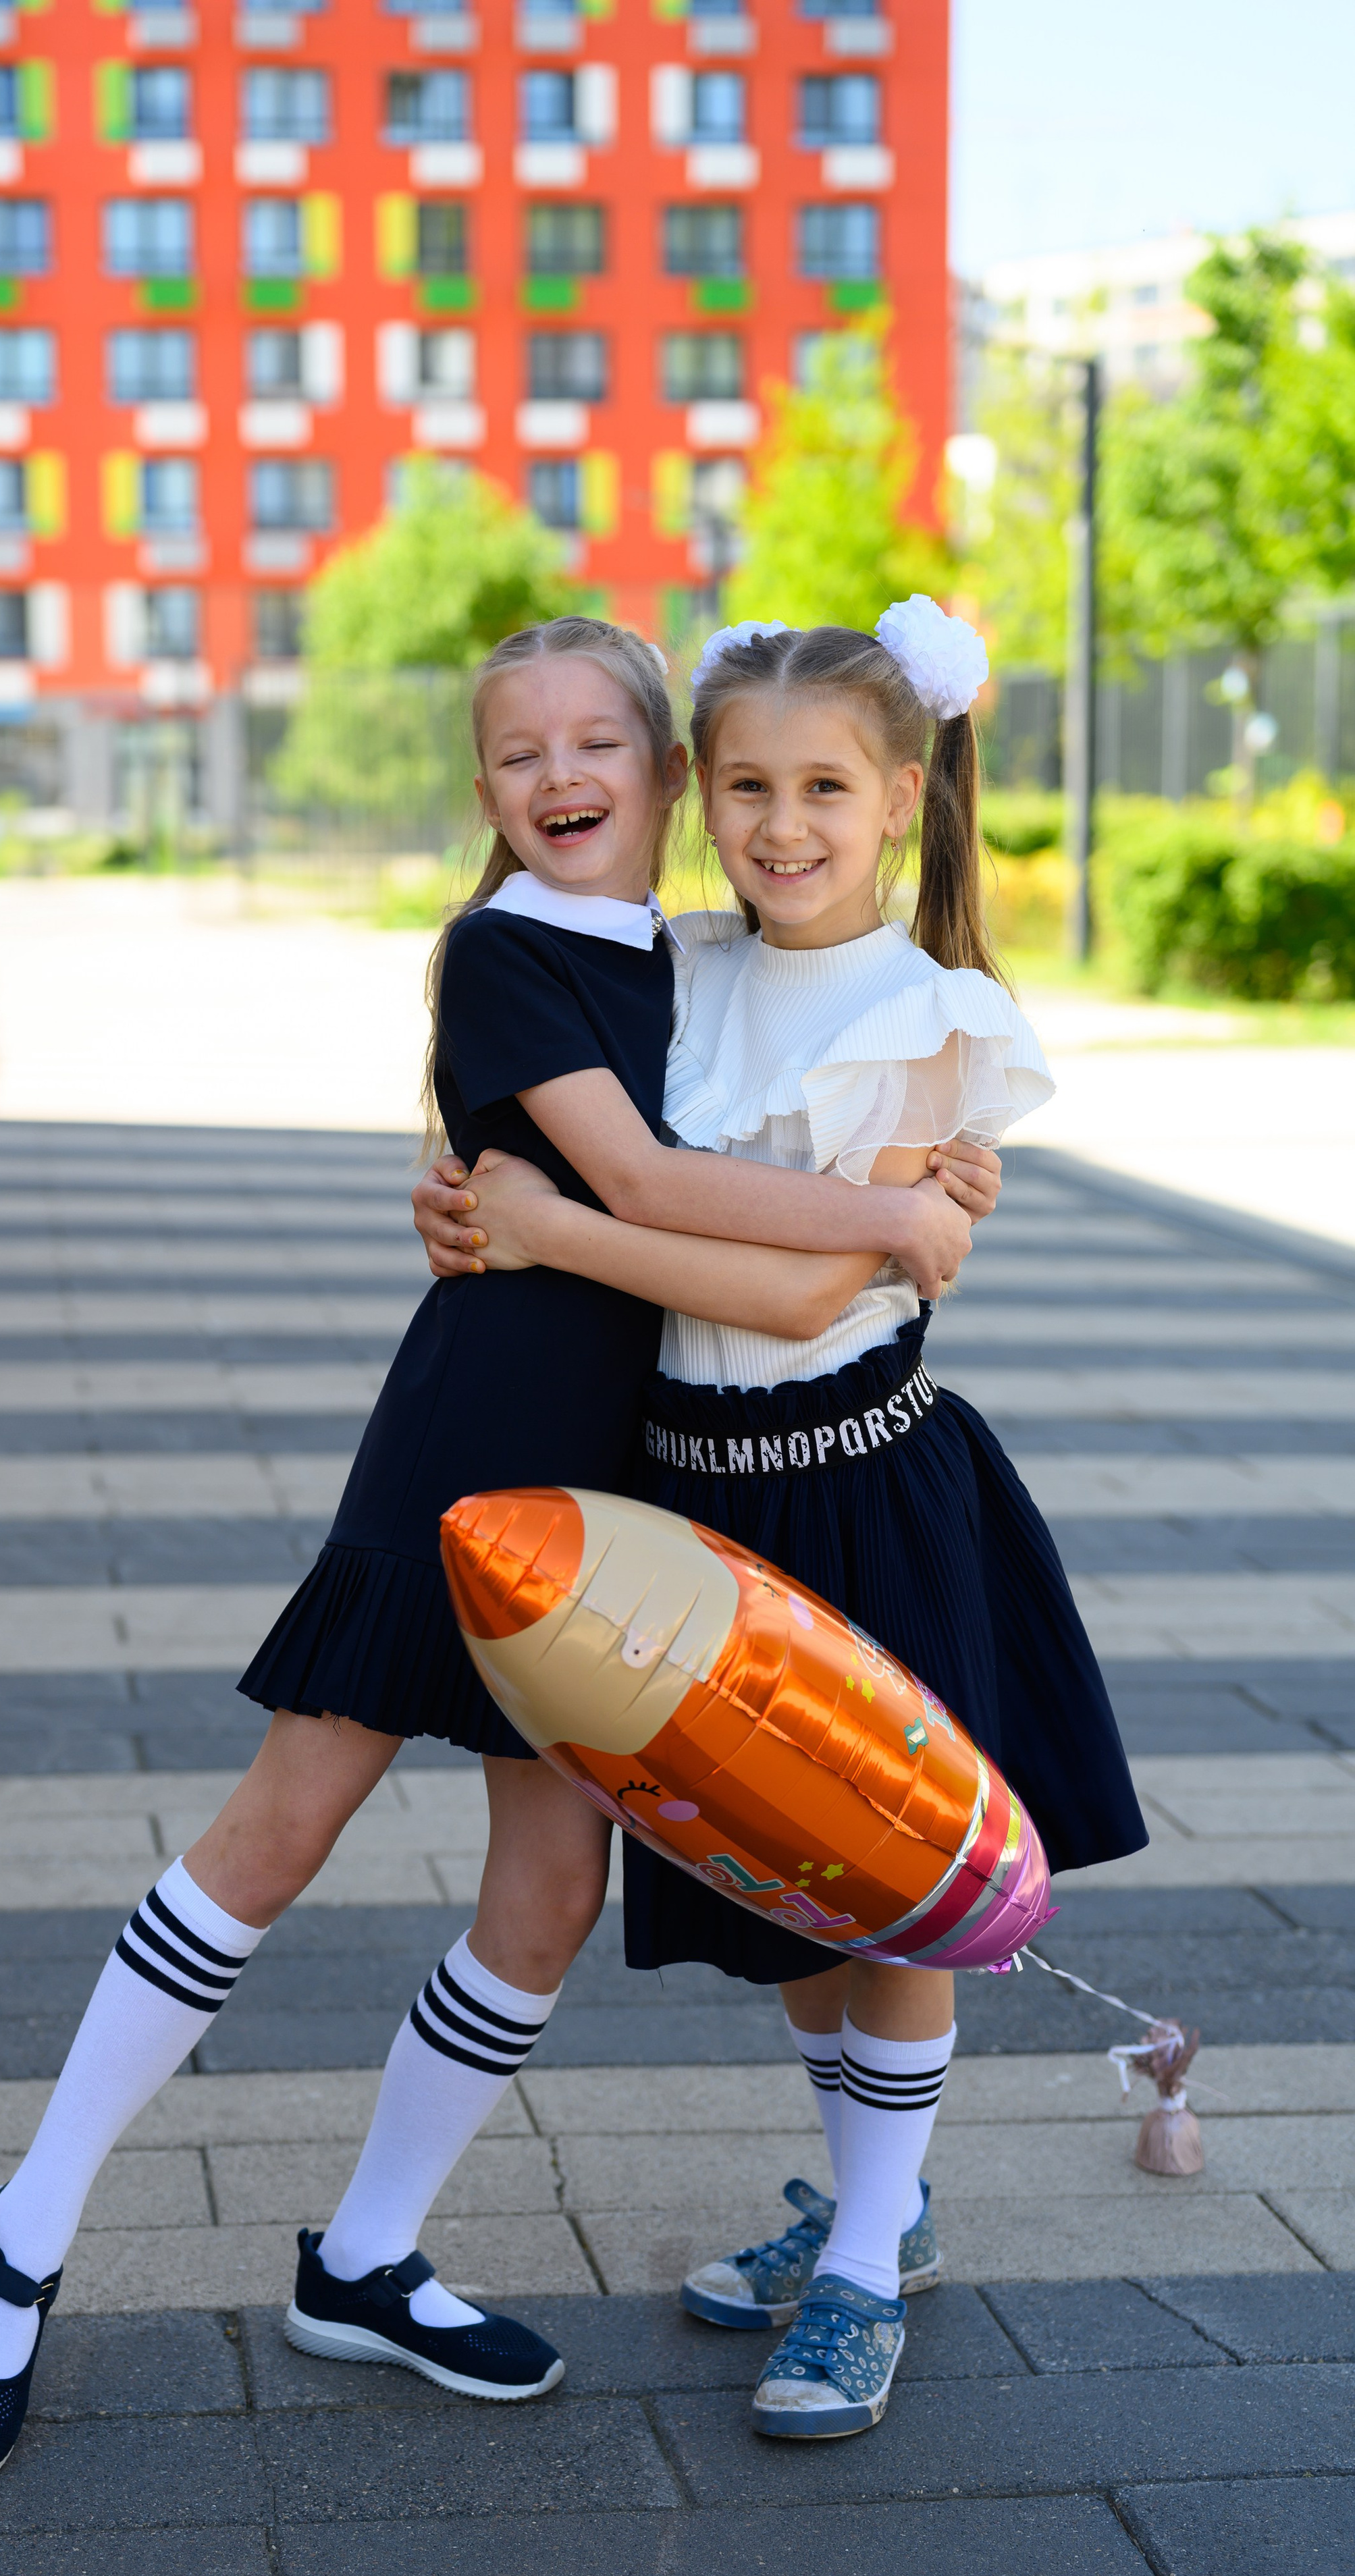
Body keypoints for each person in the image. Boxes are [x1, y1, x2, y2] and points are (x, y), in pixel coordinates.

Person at [0, 615, 987, 2480]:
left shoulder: (711, 958)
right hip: (471, 1457)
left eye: (599, 747)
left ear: (667, 773)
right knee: (282, 1823)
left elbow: (767, 1104)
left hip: (635, 1497)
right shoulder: (501, 949)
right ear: (485, 793)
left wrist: (921, 1179)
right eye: (516, 756)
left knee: (548, 1894)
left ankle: (368, 2257)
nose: (561, 780)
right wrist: (890, 1217)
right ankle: (24, 2230)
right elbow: (634, 1191)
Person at [413, 605, 1148, 2442]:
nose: (782, 824)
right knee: (793, 1883)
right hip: (696, 1492)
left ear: (903, 797)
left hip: (861, 1479)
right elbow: (593, 1141)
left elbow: (801, 1284)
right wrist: (464, 1193)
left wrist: (550, 1227)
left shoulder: (931, 1020)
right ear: (695, 790)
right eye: (746, 786)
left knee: (889, 1892)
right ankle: (866, 2215)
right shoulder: (674, 963)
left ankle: (866, 2263)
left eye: (826, 787)